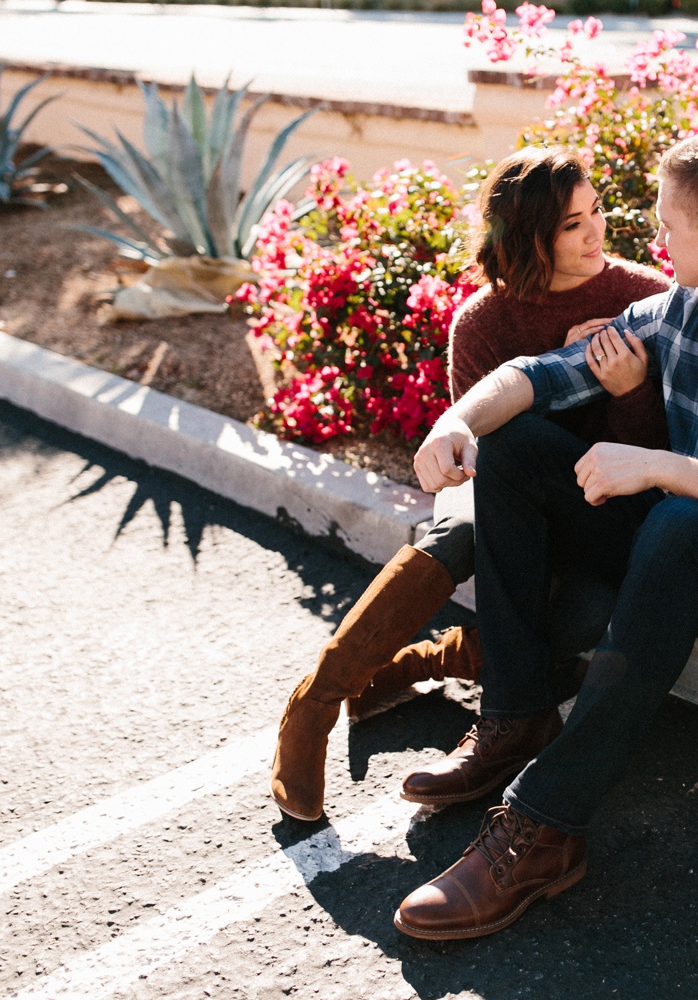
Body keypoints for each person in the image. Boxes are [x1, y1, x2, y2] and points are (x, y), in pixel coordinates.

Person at [392, 132, 698, 940]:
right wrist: (455, 420)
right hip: (684, 551)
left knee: (681, 518)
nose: (653, 238)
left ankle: (544, 828)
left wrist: (666, 468)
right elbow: (537, 378)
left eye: (666, 223)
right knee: (515, 444)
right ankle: (518, 714)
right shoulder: (681, 311)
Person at [270, 146, 672, 823]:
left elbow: (658, 458)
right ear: (529, 238)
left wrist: (625, 390)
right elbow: (497, 464)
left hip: (609, 516)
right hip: (515, 523)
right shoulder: (483, 324)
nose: (597, 233)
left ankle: (432, 660)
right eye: (573, 225)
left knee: (588, 616)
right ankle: (316, 702)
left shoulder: (643, 296)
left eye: (597, 211)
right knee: (459, 524)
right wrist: (561, 367)